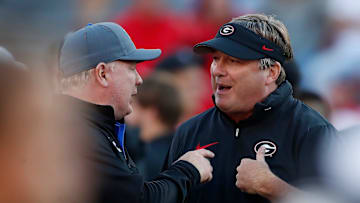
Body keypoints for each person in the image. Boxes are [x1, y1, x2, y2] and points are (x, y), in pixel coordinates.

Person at [164, 14, 337, 203]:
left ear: (271, 72)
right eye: (216, 59)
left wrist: (273, 187)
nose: (217, 70)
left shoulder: (311, 131)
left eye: (233, 61)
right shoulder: (190, 131)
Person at [58, 22, 214, 203]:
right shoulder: (77, 132)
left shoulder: (88, 126)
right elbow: (139, 199)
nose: (140, 80)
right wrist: (188, 170)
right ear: (102, 74)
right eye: (132, 69)